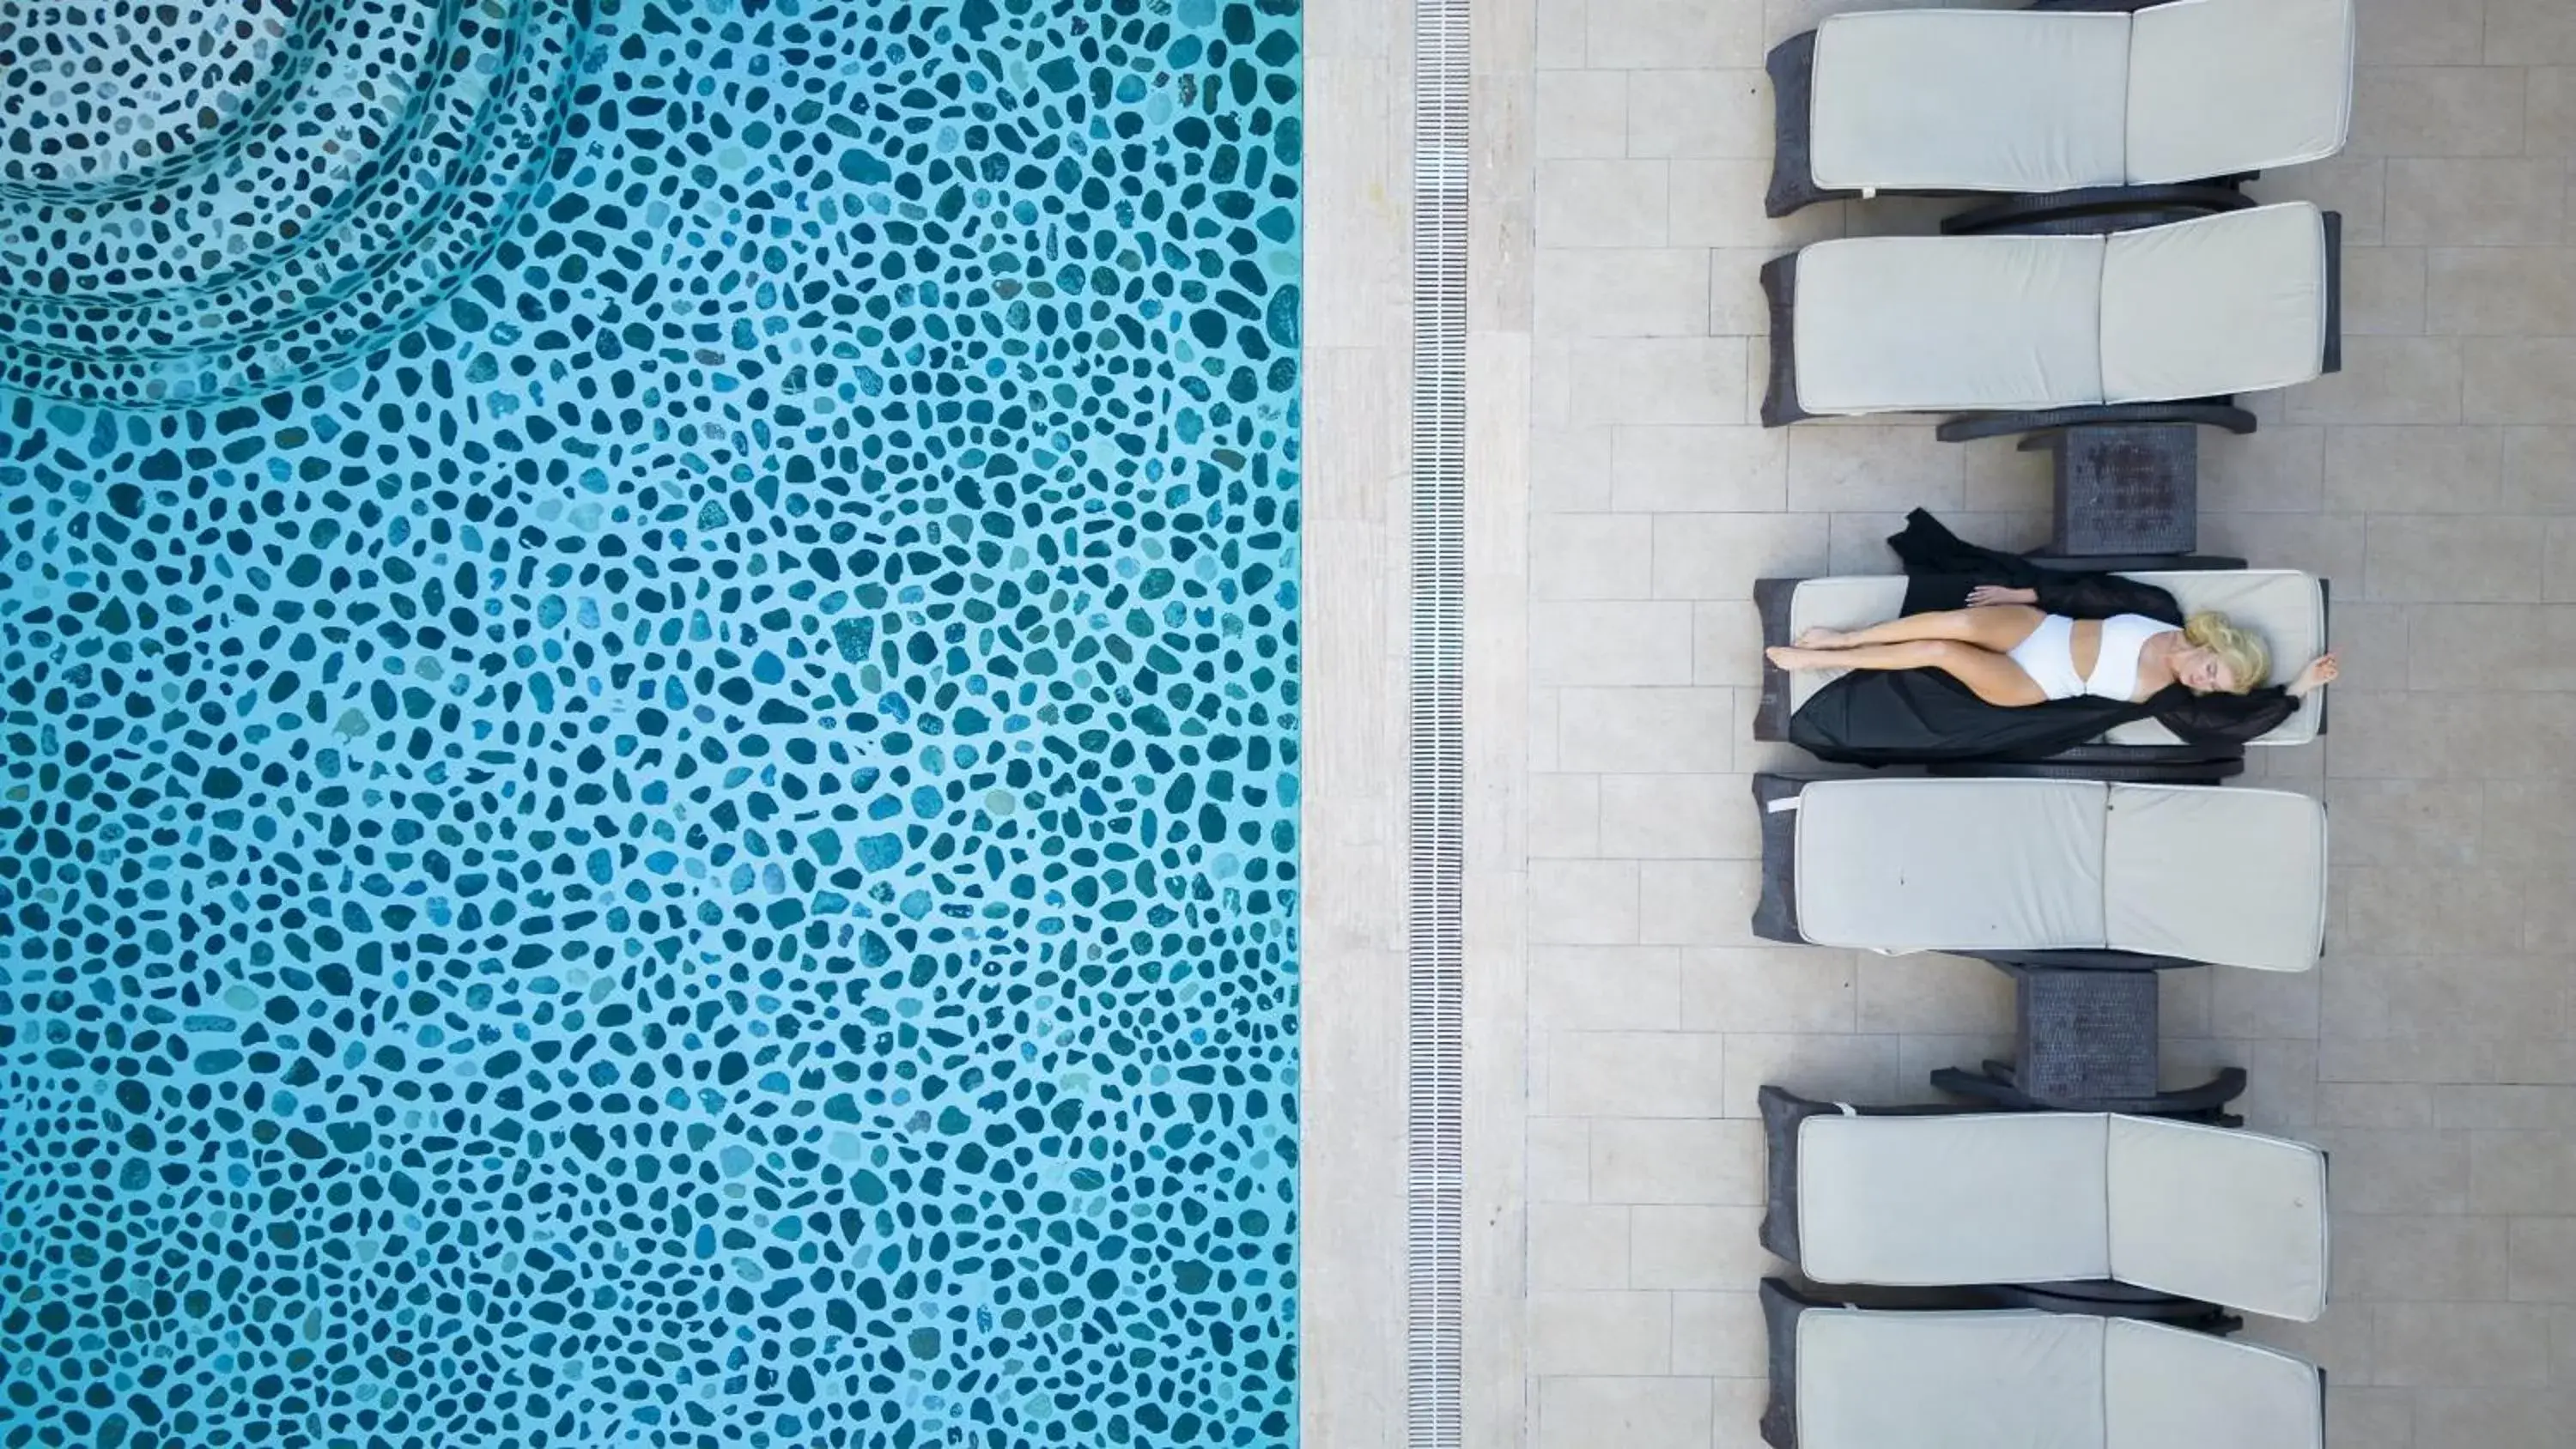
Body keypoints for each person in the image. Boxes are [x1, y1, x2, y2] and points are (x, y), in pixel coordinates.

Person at [1778, 510, 2339, 765]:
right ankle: (1839, 642)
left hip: (2032, 682)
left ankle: (1810, 661)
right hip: (2042, 627)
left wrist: (2299, 689)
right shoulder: (2160, 611)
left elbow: (2237, 723)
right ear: (2215, 646)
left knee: (1942, 651)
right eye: (2212, 671)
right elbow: (2092, 593)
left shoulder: (2169, 697)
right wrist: (2024, 596)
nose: (2201, 681)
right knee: (1957, 621)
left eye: (2211, 687)